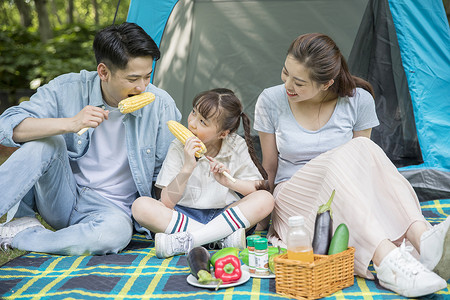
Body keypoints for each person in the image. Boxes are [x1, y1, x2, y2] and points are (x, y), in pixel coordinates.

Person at [253, 33, 449, 298]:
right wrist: (263, 221)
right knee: (343, 158)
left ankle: (422, 238)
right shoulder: (270, 100)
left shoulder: (359, 101)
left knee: (365, 148)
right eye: (285, 73)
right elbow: (270, 167)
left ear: (326, 84)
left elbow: (365, 167)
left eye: (298, 82)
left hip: (341, 192)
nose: (287, 85)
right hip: (295, 196)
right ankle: (388, 261)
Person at [0, 22, 181, 255]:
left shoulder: (160, 104)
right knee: (48, 142)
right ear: (103, 72)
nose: (143, 87)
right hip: (61, 195)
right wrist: (70, 123)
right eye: (133, 79)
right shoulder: (67, 89)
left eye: (147, 76)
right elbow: (6, 126)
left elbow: (163, 175)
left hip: (111, 211)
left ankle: (23, 236)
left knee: (117, 234)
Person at [131, 88, 274, 258]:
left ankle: (187, 240)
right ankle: (219, 239)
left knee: (266, 198)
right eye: (193, 112)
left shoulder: (236, 145)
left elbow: (256, 189)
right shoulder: (178, 145)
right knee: (140, 206)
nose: (191, 123)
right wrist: (187, 168)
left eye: (203, 122)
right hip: (183, 215)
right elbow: (166, 203)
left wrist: (230, 182)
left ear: (223, 133)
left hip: (225, 216)